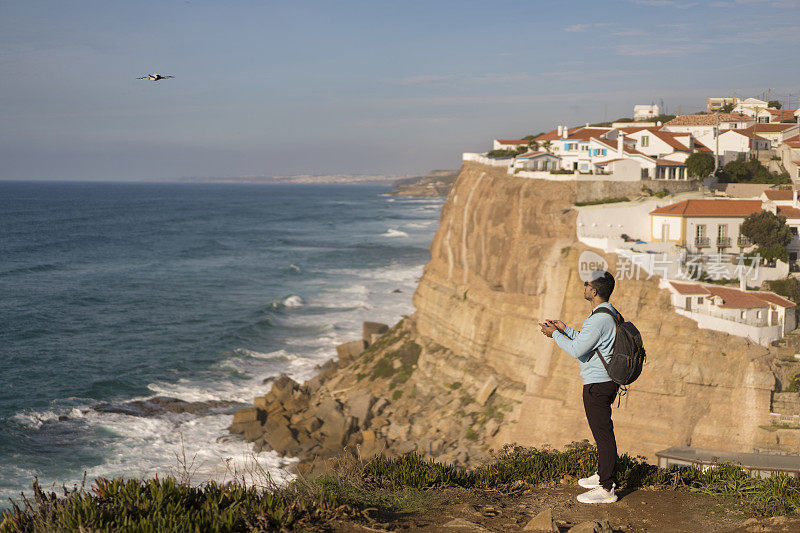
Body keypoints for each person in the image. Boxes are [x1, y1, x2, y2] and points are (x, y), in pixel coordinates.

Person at [538, 270, 620, 504]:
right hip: (602, 381)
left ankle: (606, 488)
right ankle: (603, 476)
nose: (583, 287)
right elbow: (587, 340)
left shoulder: (599, 318)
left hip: (598, 384)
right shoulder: (607, 313)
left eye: (586, 284)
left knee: (603, 435)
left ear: (594, 291)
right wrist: (565, 329)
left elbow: (576, 350)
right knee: (601, 433)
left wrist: (554, 335)